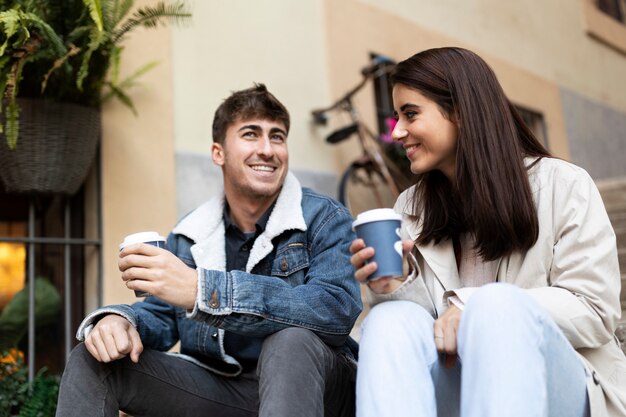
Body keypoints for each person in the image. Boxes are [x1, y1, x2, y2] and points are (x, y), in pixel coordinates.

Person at [350, 47, 626, 417]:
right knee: (387, 321)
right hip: (460, 388)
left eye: (410, 114)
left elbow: (595, 310)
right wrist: (395, 288)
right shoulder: (410, 207)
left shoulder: (564, 185)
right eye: (396, 117)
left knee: (497, 305)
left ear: (461, 112)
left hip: (560, 386)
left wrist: (473, 305)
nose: (397, 132)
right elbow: (425, 338)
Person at [56, 84, 362, 417]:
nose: (268, 149)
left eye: (277, 136)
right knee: (93, 357)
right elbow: (161, 317)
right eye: (250, 134)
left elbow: (336, 309)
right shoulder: (191, 234)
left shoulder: (324, 216)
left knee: (289, 340)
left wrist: (206, 290)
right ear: (218, 153)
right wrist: (120, 320)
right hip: (225, 389)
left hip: (316, 388)